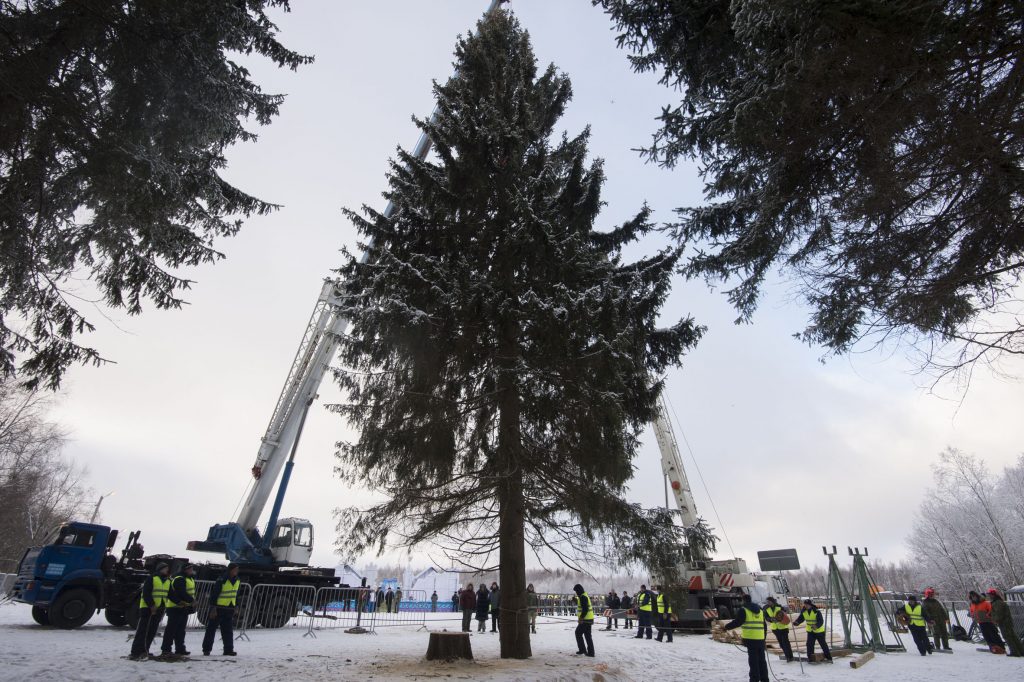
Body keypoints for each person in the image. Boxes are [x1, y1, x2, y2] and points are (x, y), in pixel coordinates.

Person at [129, 562, 171, 660]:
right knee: (142, 630)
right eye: (165, 569)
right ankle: (135, 652)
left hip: (159, 608)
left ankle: (145, 650)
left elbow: (169, 594)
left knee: (151, 631)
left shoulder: (167, 581)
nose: (167, 570)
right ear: (160, 569)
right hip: (148, 608)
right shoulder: (152, 578)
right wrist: (151, 605)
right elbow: (146, 593)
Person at [724, 594, 769, 682]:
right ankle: (765, 680)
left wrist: (726, 627)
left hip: (751, 639)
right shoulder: (760, 610)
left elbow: (737, 622)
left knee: (753, 662)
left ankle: (754, 680)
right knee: (762, 662)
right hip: (760, 639)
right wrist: (764, 638)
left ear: (743, 600)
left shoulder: (744, 610)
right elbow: (764, 625)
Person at [202, 563, 240, 657]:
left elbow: (236, 595)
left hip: (229, 608)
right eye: (235, 569)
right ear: (231, 570)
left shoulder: (237, 580)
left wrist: (236, 606)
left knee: (228, 630)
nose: (236, 571)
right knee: (211, 630)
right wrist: (213, 608)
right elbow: (214, 594)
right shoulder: (222, 579)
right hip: (219, 608)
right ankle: (206, 649)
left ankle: (228, 649)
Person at [159, 563, 196, 659]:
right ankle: (166, 649)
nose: (192, 570)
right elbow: (181, 592)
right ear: (185, 569)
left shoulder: (189, 578)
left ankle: (180, 648)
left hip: (183, 607)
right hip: (175, 607)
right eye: (190, 569)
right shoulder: (179, 578)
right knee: (171, 630)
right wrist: (191, 601)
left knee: (180, 630)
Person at [793, 598, 832, 663]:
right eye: (805, 604)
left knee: (823, 645)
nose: (806, 606)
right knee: (809, 644)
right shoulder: (804, 612)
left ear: (811, 605)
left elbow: (821, 621)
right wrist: (797, 622)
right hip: (810, 631)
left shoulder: (816, 611)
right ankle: (811, 658)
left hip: (819, 631)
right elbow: (801, 619)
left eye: (807, 605)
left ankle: (829, 658)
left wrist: (816, 626)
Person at [988, 589, 1023, 657]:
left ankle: (1015, 652)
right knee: (1013, 636)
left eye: (990, 595)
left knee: (1008, 637)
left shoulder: (997, 603)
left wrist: (994, 618)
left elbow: (999, 615)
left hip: (1004, 623)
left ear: (994, 595)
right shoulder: (998, 602)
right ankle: (1021, 651)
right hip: (1006, 622)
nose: (989, 596)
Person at [764, 596, 794, 662]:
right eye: (767, 602)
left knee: (785, 643)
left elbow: (784, 614)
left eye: (769, 601)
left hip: (783, 628)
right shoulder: (766, 609)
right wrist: (770, 619)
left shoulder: (779, 606)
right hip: (775, 629)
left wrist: (780, 617)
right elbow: (766, 617)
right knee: (781, 643)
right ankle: (788, 656)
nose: (768, 603)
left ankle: (789, 657)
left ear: (772, 601)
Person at [573, 584, 596, 657]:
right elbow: (583, 606)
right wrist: (576, 601)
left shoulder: (583, 597)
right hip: (589, 619)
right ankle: (591, 652)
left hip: (585, 620)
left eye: (576, 591)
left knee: (578, 633)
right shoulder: (584, 596)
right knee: (588, 636)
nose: (576, 593)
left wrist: (581, 618)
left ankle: (582, 649)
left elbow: (585, 609)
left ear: (579, 590)